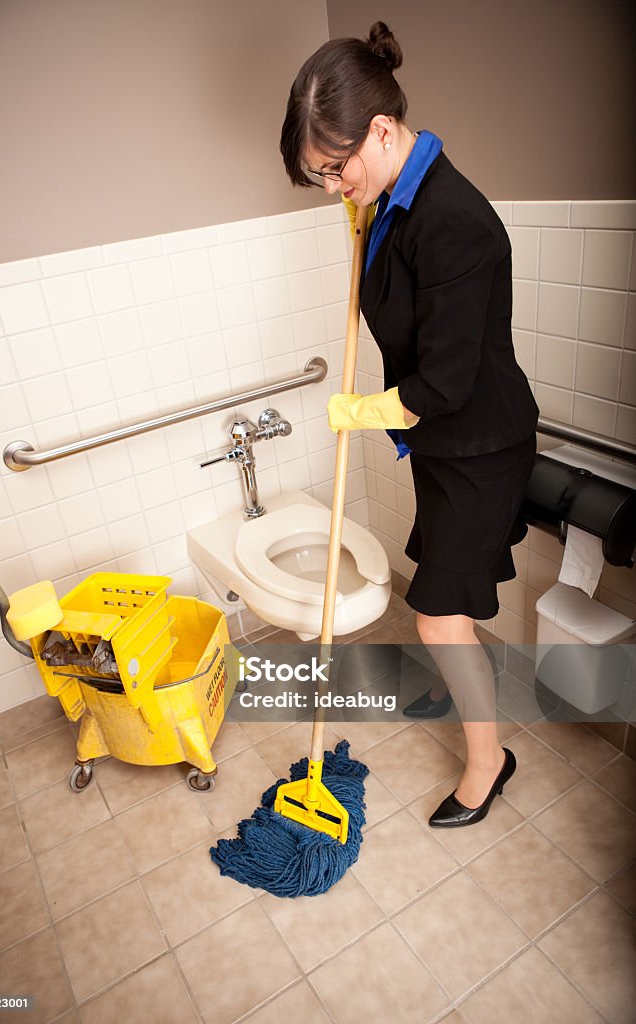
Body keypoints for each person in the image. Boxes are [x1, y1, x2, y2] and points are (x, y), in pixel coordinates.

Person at [280, 21, 539, 828]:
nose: (331, 187)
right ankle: (473, 708)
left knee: (433, 610)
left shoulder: (453, 218)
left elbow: (449, 381)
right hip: (444, 442)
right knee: (442, 606)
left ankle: (490, 763)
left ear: (382, 131)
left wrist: (363, 412)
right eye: (319, 176)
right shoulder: (394, 199)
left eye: (334, 168)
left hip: (479, 441)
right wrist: (363, 216)